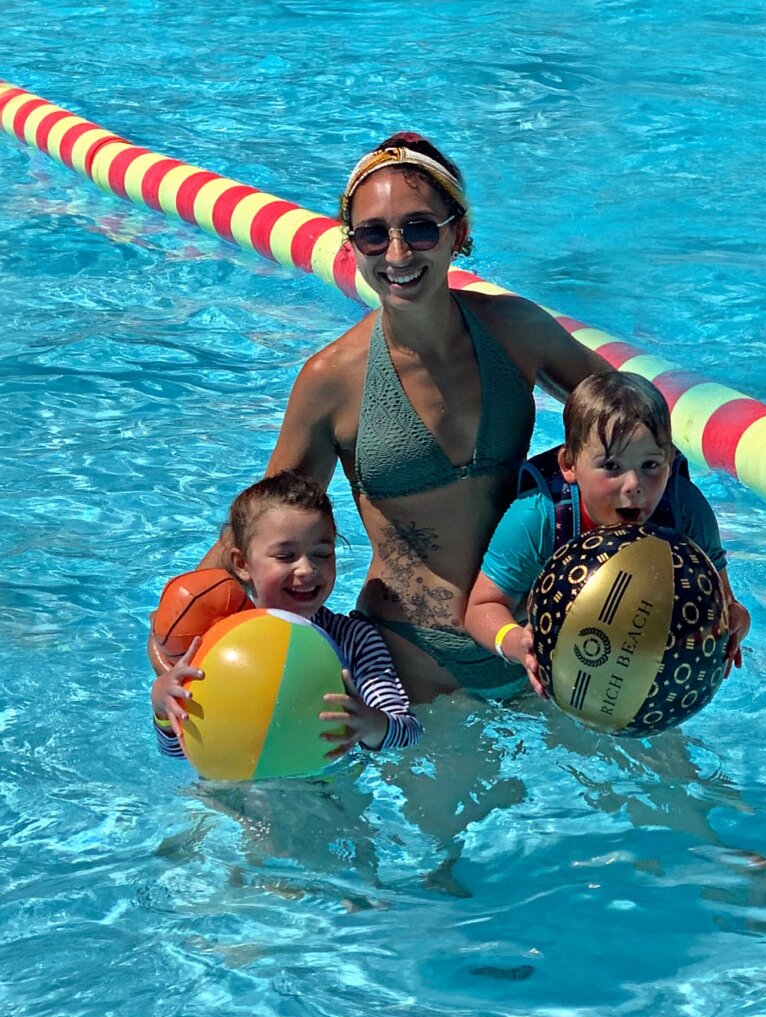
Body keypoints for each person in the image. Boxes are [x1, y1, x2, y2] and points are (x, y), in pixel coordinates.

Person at [178, 131, 610, 702]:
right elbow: (259, 529)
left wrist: (709, 579)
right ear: (352, 245)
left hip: (536, 640)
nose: (399, 254)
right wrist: (174, 644)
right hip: (408, 660)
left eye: (420, 228)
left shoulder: (517, 333)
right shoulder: (332, 380)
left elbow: (640, 437)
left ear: (458, 232)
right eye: (374, 234)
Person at [464, 371, 751, 695]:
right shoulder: (540, 516)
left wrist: (736, 621)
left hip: (643, 678)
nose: (633, 486)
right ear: (569, 464)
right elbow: (481, 607)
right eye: (612, 467)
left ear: (670, 461)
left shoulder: (685, 512)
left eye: (651, 465)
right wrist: (517, 643)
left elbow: (726, 604)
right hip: (545, 673)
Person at [151, 471, 422, 759]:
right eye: (285, 556)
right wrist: (162, 706)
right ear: (242, 564)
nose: (306, 569)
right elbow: (179, 752)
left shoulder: (352, 640)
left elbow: (409, 732)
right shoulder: (217, 643)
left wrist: (368, 724)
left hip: (324, 791)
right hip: (227, 793)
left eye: (322, 554)